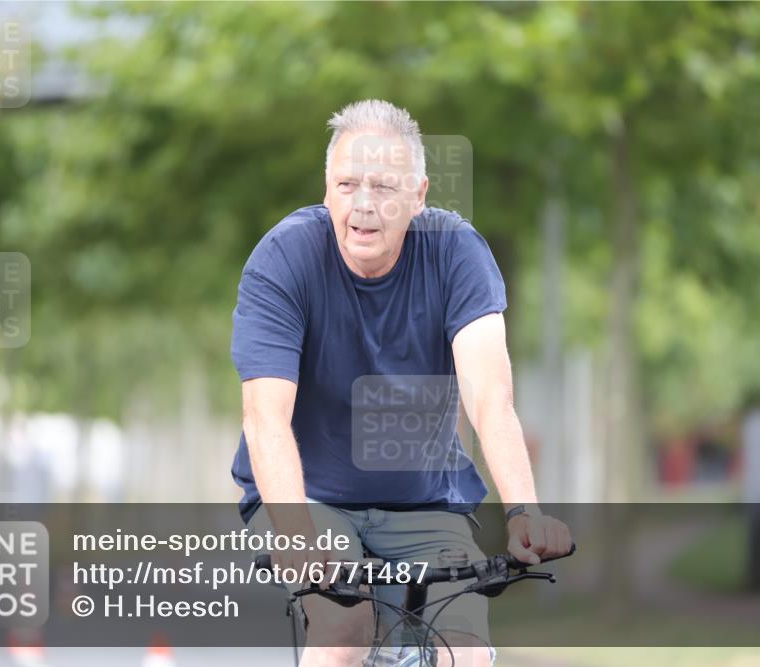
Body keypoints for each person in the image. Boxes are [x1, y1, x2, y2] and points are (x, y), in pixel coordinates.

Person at [231, 99, 572, 667]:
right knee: (344, 628)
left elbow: (491, 400)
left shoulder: (457, 253)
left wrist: (525, 515)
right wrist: (294, 533)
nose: (363, 205)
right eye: (347, 184)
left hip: (423, 503)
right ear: (326, 190)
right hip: (312, 497)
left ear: (419, 195)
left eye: (385, 188)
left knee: (462, 648)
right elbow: (265, 417)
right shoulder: (283, 259)